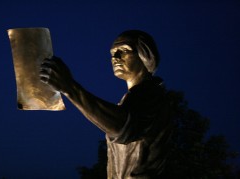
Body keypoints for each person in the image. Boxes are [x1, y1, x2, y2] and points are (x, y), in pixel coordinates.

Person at [40, 30, 174, 179]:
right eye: (113, 53)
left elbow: (122, 127)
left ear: (145, 55)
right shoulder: (131, 99)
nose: (115, 58)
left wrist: (70, 88)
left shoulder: (152, 94)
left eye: (124, 50)